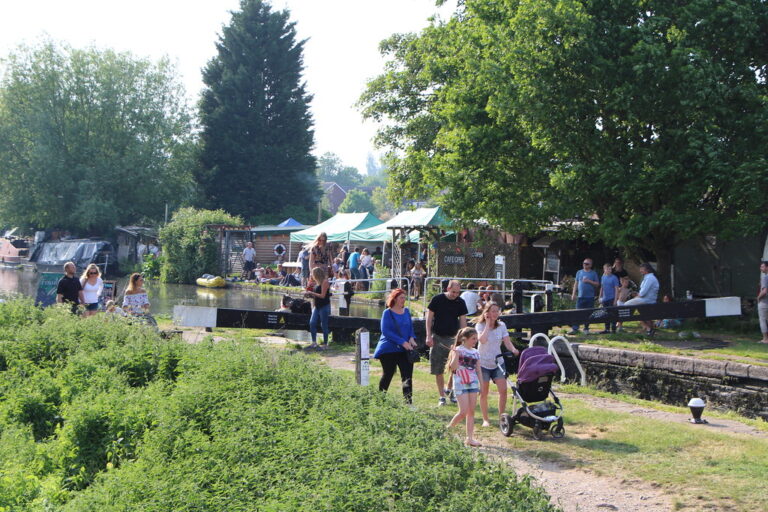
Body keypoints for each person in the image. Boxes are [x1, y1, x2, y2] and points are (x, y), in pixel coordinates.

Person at [474, 302, 519, 427]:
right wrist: (488, 324)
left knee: (503, 390)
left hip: (498, 362)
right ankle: (485, 419)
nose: (495, 313)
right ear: (487, 312)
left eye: (497, 311)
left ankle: (502, 417)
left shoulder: (502, 325)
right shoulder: (480, 325)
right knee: (484, 392)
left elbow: (507, 342)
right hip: (483, 362)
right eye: (493, 311)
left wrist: (514, 350)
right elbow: (482, 340)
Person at [426, 280, 468, 406]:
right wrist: (428, 335)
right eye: (453, 292)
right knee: (438, 367)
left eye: (457, 292)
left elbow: (463, 321)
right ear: (448, 289)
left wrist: (463, 339)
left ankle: (450, 389)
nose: (455, 295)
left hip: (453, 338)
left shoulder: (460, 302)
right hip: (438, 336)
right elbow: (429, 318)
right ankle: (441, 396)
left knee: (455, 367)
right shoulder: (437, 299)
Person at [373, 288, 418, 403]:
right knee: (388, 374)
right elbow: (386, 331)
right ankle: (380, 399)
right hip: (389, 349)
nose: (403, 300)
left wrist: (411, 338)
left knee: (407, 375)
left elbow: (410, 328)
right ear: (395, 299)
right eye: (401, 298)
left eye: (404, 298)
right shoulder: (387, 313)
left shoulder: (406, 311)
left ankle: (408, 402)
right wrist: (402, 342)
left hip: (404, 350)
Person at [445, 327, 483, 447]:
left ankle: (469, 438)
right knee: (463, 411)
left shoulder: (476, 352)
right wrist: (456, 354)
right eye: (473, 338)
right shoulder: (457, 350)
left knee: (471, 411)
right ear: (464, 339)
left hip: (473, 384)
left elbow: (478, 370)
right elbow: (453, 367)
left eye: (476, 338)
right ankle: (448, 429)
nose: (475, 341)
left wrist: (482, 385)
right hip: (460, 384)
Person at [624, 262, 660, 335]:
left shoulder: (650, 278)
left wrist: (637, 295)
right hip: (647, 299)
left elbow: (643, 293)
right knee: (639, 312)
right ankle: (649, 329)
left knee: (626, 305)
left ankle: (648, 328)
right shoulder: (648, 277)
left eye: (642, 269)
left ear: (647, 270)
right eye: (640, 269)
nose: (640, 270)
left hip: (647, 300)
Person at [568, 258, 600, 335]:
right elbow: (576, 284)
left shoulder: (593, 273)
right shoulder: (579, 272)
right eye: (584, 263)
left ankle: (586, 328)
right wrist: (573, 294)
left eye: (587, 264)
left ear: (591, 265)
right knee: (577, 313)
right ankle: (575, 328)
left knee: (588, 313)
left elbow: (597, 284)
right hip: (580, 297)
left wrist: (589, 281)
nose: (585, 265)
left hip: (590, 297)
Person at [305, 266, 331, 350]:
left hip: (324, 306)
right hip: (317, 306)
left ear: (316, 274)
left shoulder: (325, 282)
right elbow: (316, 296)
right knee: (312, 323)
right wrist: (310, 295)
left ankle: (325, 344)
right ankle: (314, 342)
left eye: (312, 274)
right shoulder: (317, 283)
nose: (312, 276)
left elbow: (323, 296)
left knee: (324, 325)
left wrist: (312, 293)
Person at [598, 263, 620, 334]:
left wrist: (615, 300)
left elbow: (616, 289)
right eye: (607, 269)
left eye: (610, 269)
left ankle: (613, 329)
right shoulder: (603, 277)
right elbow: (602, 287)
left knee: (612, 314)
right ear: (604, 269)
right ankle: (607, 329)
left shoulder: (614, 278)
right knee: (605, 314)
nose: (608, 270)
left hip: (612, 298)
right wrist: (600, 297)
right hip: (605, 299)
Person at [757, 261, 768, 343]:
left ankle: (765, 339)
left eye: (762, 267)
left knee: (762, 320)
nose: (761, 268)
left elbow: (764, 291)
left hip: (764, 302)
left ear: (767, 267)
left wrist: (758, 297)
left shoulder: (765, 278)